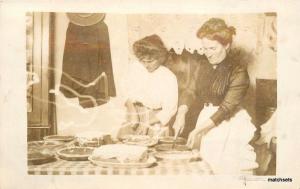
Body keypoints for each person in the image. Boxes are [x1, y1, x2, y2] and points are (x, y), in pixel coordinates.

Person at [173, 18, 258, 174]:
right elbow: (190, 90)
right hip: (205, 117)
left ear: (227, 45)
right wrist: (181, 113)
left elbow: (226, 109)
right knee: (205, 168)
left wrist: (199, 130)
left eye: (212, 48)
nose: (207, 54)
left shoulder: (238, 71)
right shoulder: (201, 65)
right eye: (204, 49)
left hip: (229, 123)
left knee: (223, 169)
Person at [117, 34, 178, 138]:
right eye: (142, 61)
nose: (146, 65)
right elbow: (124, 90)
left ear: (160, 57)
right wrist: (132, 109)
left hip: (155, 122)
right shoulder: (134, 68)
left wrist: (147, 123)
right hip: (133, 117)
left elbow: (169, 110)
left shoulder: (168, 77)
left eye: (150, 61)